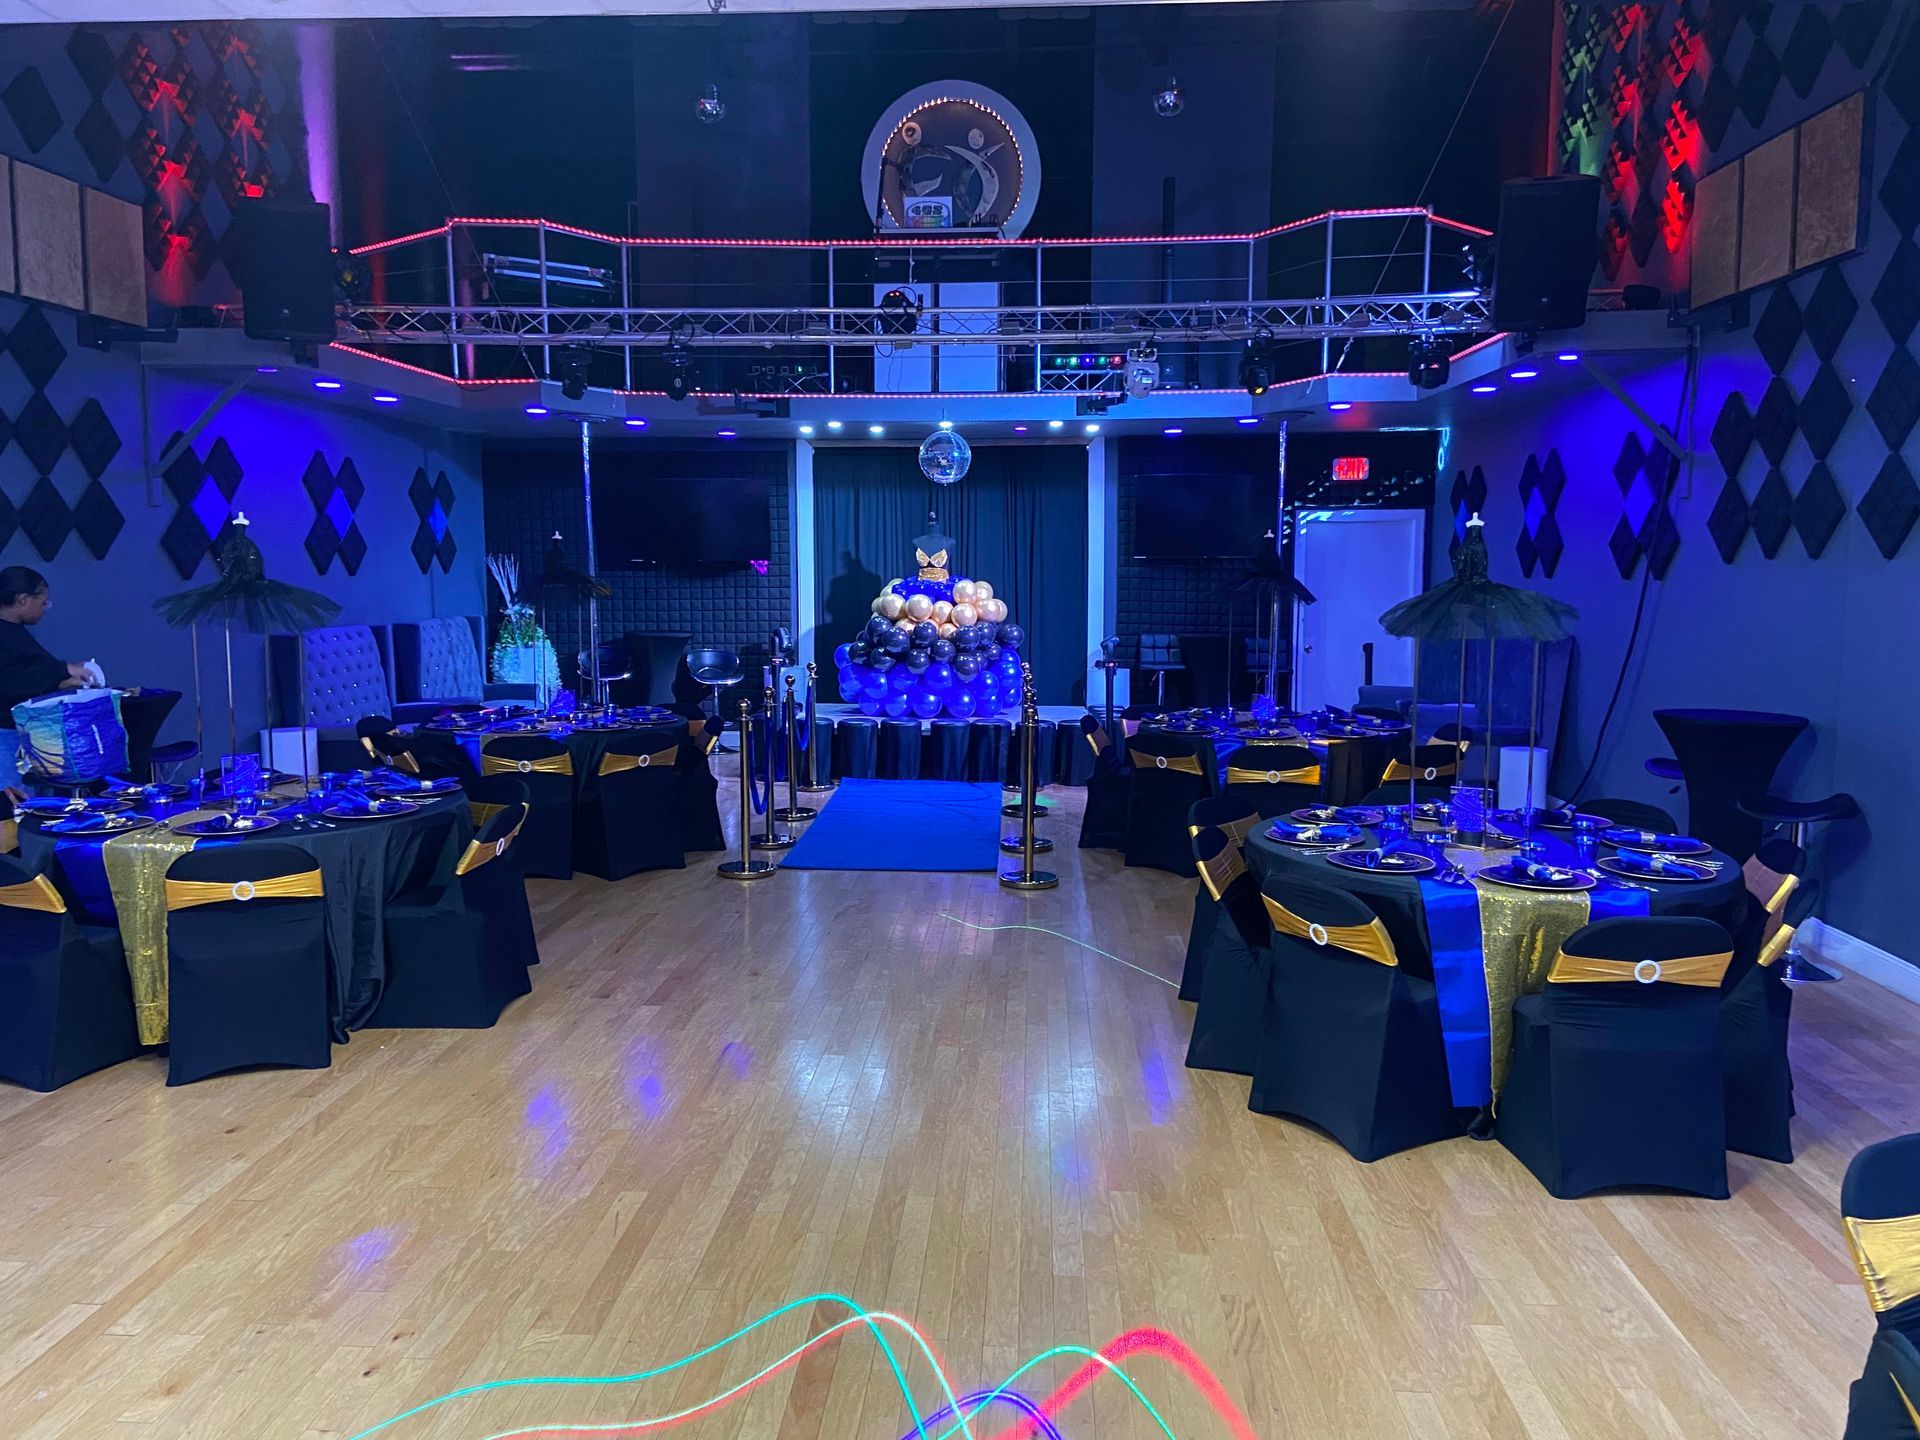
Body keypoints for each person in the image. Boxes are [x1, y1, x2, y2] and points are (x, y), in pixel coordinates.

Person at [0, 566, 93, 800]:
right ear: (23, 599)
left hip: (19, 734)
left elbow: (29, 676)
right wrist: (63, 670)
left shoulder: (15, 633)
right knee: (16, 805)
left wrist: (63, 681)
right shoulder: (5, 636)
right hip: (4, 736)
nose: (45, 609)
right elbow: (12, 679)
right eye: (43, 603)